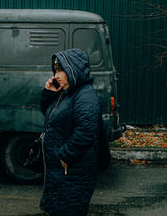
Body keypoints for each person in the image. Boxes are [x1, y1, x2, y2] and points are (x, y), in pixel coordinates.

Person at [40, 48, 101, 216]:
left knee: (68, 209)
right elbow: (51, 117)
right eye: (56, 70)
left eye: (61, 70)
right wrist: (48, 94)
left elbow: (87, 130)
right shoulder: (67, 93)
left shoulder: (85, 96)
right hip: (61, 172)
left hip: (73, 171)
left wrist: (65, 155)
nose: (56, 75)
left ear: (73, 69)